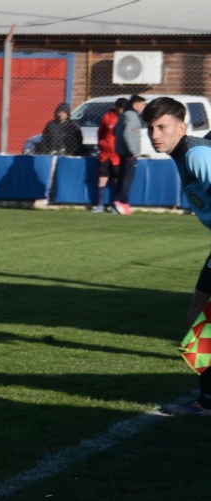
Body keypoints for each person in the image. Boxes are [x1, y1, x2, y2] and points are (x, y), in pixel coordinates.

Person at [141, 97, 211, 416]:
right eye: (151, 128)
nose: (155, 134)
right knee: (198, 313)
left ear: (181, 128)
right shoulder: (185, 152)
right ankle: (207, 400)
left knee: (202, 320)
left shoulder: (196, 154)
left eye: (162, 127)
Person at [91, 98, 127, 213]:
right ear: (116, 107)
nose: (121, 110)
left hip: (117, 155)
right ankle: (100, 205)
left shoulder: (125, 118)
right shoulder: (107, 117)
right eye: (120, 108)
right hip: (105, 155)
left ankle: (115, 206)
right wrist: (102, 144)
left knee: (117, 180)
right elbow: (100, 132)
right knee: (102, 178)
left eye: (123, 108)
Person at [113, 94, 146, 215]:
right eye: (143, 105)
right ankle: (123, 202)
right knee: (128, 179)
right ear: (135, 104)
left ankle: (117, 202)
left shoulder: (124, 115)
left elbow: (114, 130)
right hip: (129, 154)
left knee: (122, 177)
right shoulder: (132, 116)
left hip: (122, 153)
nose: (143, 107)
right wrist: (133, 151)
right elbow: (127, 134)